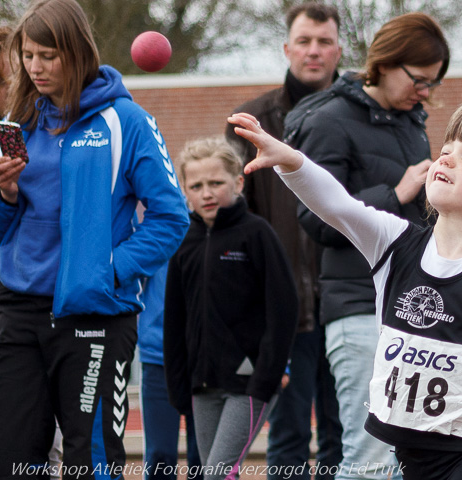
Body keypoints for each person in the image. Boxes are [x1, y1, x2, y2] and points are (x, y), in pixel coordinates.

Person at [228, 101, 462, 480]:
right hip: (411, 458)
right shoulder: (393, 241)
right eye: (446, 151)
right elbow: (336, 204)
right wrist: (288, 158)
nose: (447, 160)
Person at [0, 0, 190, 478]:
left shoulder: (128, 121)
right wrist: (3, 196)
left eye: (48, 55)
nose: (36, 68)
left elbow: (170, 218)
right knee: (14, 461)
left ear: (77, 52)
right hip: (17, 313)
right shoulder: (15, 124)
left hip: (96, 314)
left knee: (92, 463)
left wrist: (108, 271)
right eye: (27, 55)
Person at [282, 12, 450, 480]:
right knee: (369, 456)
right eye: (419, 80)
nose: (425, 92)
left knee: (402, 456)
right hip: (357, 310)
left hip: (405, 309)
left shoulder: (409, 123)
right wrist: (396, 194)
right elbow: (316, 219)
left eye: (432, 83)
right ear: (387, 63)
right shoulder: (331, 120)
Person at [224, 3, 343, 478]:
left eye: (324, 42)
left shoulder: (357, 118)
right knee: (288, 435)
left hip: (347, 303)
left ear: (338, 49)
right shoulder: (252, 121)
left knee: (344, 435)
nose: (314, 51)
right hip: (283, 311)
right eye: (305, 41)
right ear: (287, 47)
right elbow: (237, 220)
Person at [163, 136, 298, 480]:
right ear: (185, 191)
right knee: (216, 473)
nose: (206, 193)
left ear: (238, 183)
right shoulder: (184, 243)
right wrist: (179, 385)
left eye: (216, 183)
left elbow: (283, 309)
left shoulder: (257, 234)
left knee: (217, 474)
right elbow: (175, 320)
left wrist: (266, 377)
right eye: (196, 185)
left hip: (249, 383)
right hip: (201, 386)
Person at [138, 264, 203, 480]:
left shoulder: (221, 232)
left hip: (207, 357)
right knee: (160, 457)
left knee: (205, 458)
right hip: (158, 354)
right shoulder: (151, 228)